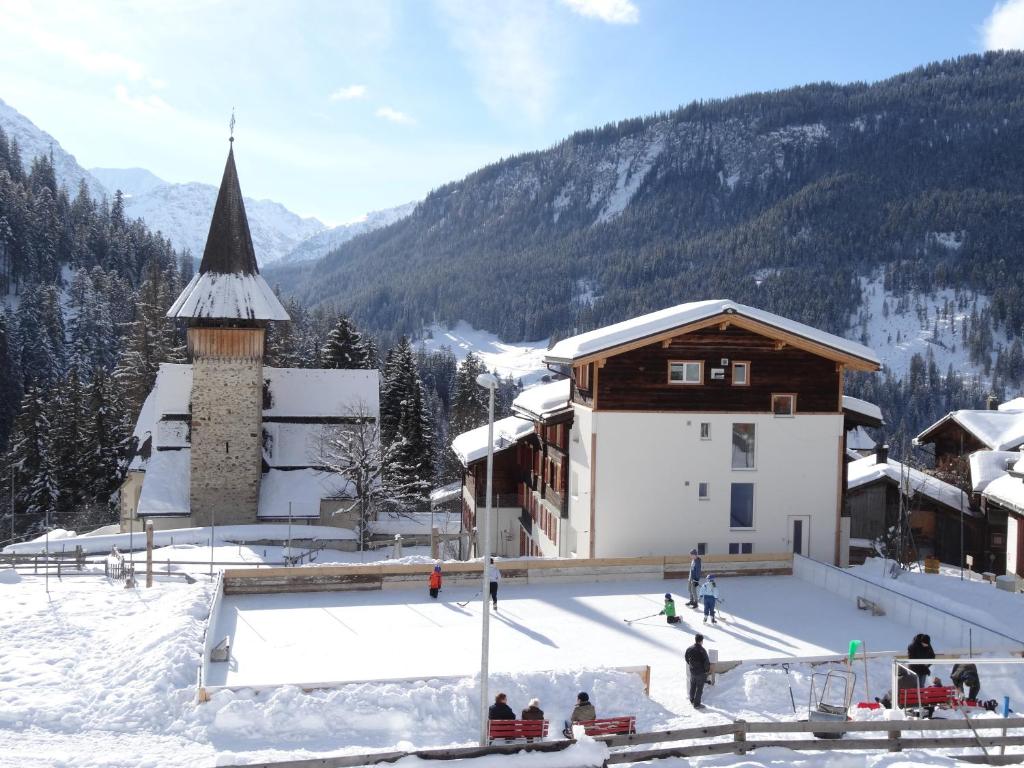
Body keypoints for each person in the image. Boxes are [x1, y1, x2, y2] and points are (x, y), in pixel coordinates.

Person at [684, 633, 711, 709]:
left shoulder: (690, 648)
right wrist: (706, 670)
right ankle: (697, 704)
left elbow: (686, 657)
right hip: (700, 672)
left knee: (693, 685)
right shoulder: (702, 650)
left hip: (692, 671)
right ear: (701, 641)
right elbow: (706, 662)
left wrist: (690, 665)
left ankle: (692, 699)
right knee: (699, 688)